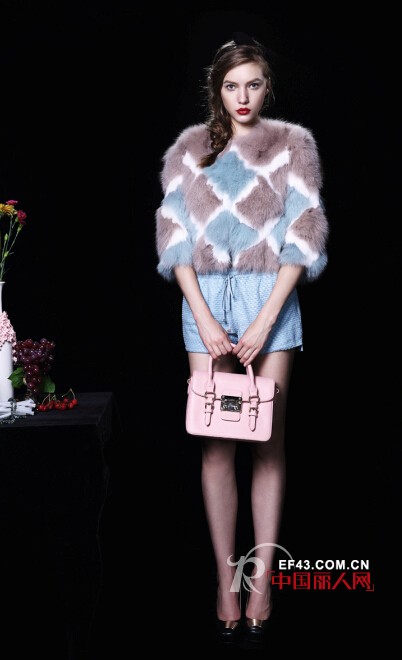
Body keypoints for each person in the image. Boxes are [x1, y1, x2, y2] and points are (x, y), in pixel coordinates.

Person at [155, 32, 328, 644]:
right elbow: (174, 238)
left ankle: (262, 582)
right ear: (217, 89)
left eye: (253, 83)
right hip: (203, 301)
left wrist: (264, 320)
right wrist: (202, 316)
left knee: (267, 443)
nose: (243, 95)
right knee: (216, 445)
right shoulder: (190, 149)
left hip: (268, 301)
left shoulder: (293, 145)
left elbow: (305, 235)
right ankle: (225, 581)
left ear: (267, 86)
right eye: (232, 85)